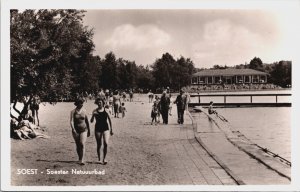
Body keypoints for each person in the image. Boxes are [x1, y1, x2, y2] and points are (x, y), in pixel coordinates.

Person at [91, 98, 113, 165]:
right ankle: (99, 159)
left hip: (105, 128)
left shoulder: (106, 110)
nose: (99, 103)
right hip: (98, 128)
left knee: (106, 143)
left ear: (103, 103)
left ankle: (104, 158)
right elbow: (91, 121)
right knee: (99, 144)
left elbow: (109, 120)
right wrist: (93, 115)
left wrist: (111, 129)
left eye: (100, 102)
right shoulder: (95, 110)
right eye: (98, 102)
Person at [70, 98, 91, 165]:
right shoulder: (73, 111)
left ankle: (82, 159)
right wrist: (73, 128)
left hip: (84, 129)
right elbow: (71, 121)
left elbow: (87, 121)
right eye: (80, 103)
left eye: (82, 103)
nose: (81, 104)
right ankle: (79, 158)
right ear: (77, 104)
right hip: (76, 130)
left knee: (82, 143)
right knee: (77, 144)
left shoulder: (84, 111)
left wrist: (89, 130)